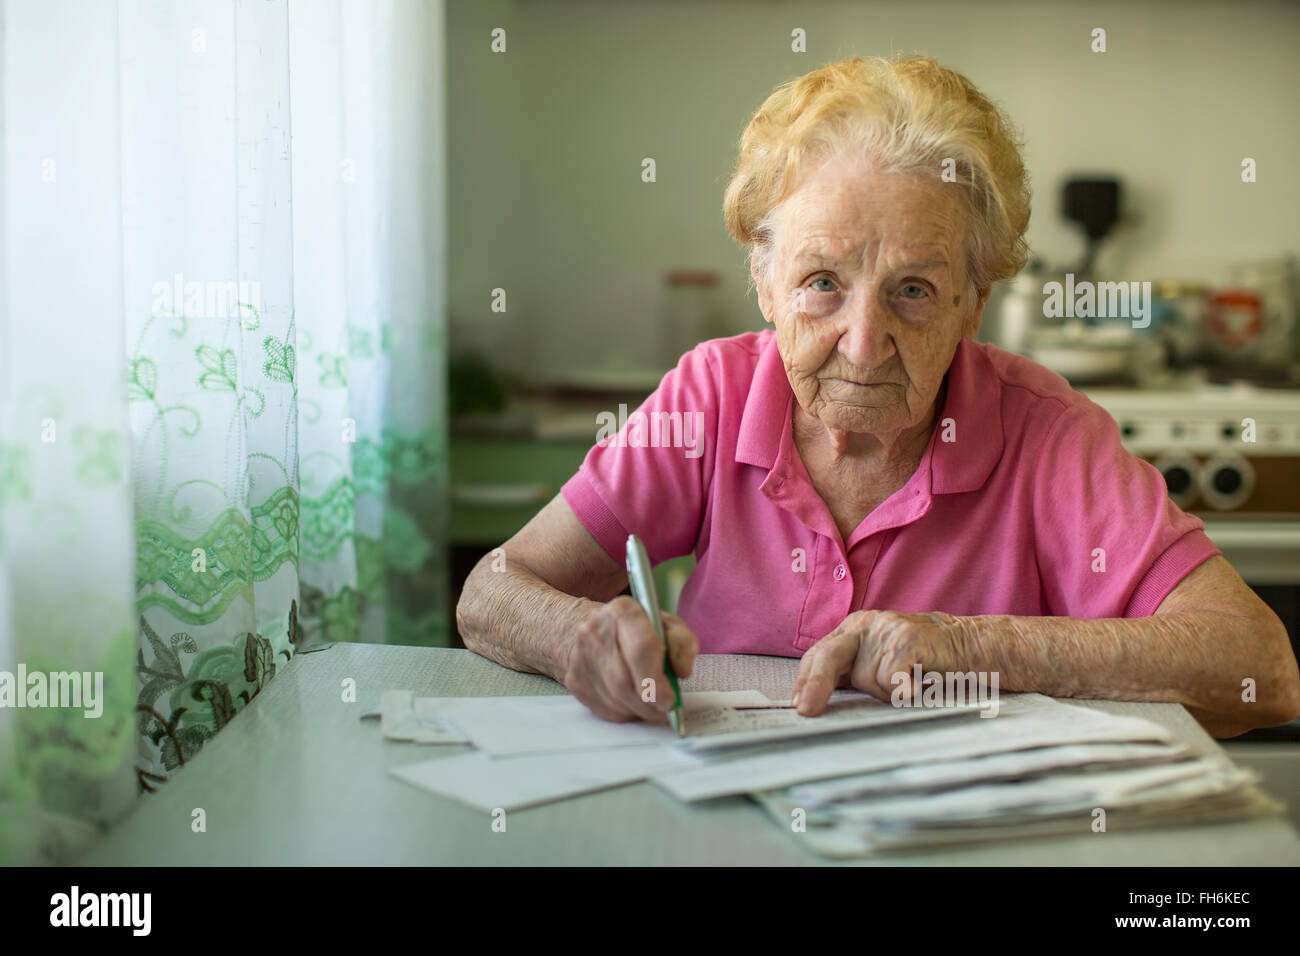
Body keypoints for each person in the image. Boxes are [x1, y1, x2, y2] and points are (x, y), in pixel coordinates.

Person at [456, 55, 1300, 738]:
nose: (863, 343)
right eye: (821, 282)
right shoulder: (712, 395)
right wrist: (583, 639)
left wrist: (971, 645)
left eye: (915, 292)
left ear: (975, 301)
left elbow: (1258, 665)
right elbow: (493, 589)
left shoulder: (1047, 433)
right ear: (763, 281)